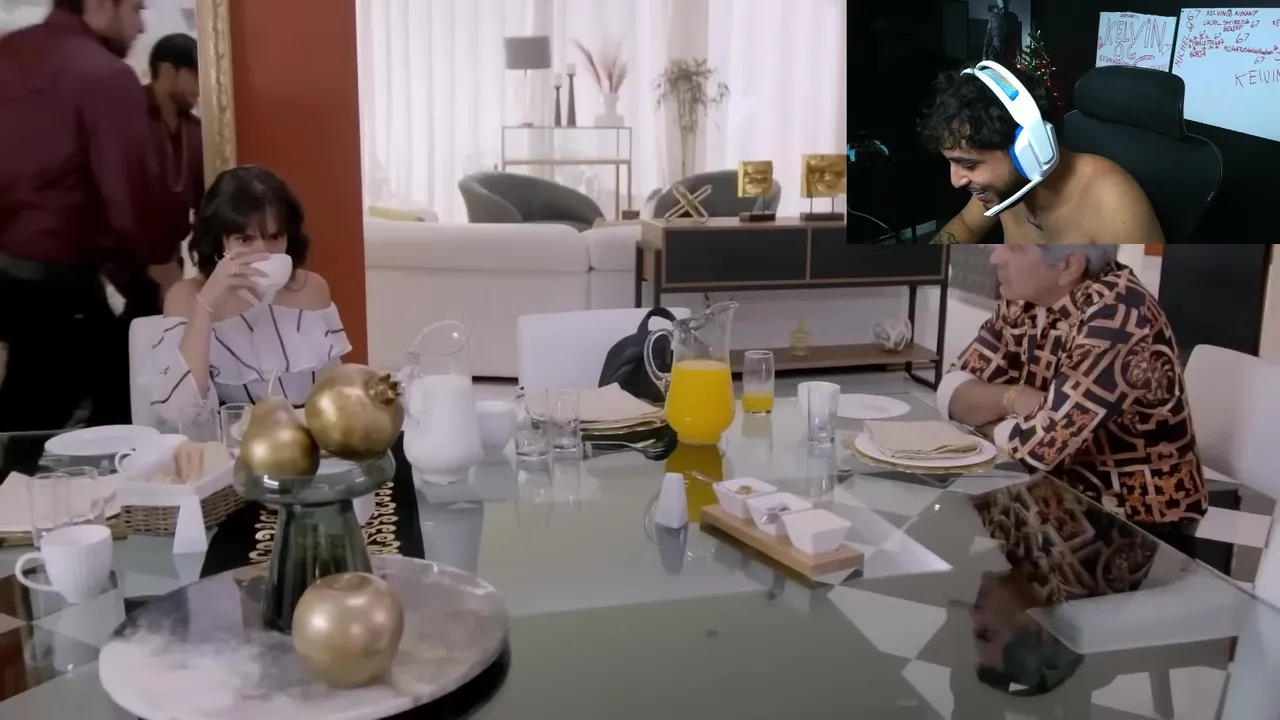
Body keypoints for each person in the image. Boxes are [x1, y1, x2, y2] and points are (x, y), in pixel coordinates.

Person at [936, 244, 1206, 552]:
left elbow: (1038, 449)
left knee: (951, 547)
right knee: (945, 541)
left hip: (1133, 523)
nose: (995, 257)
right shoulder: (1023, 297)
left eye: (1015, 248)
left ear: (1068, 266)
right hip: (1050, 497)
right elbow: (951, 392)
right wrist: (1013, 397)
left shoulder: (1119, 314)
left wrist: (986, 418)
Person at [0, 0, 168, 433]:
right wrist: (159, 266)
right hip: (61, 288)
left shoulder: (8, 52)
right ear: (100, 4)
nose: (140, 27)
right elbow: (132, 205)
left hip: (12, 279)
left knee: (22, 421)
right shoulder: (105, 76)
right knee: (115, 419)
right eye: (135, 9)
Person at [145, 166, 350, 427]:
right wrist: (206, 304)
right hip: (232, 444)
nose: (263, 251)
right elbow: (179, 413)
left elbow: (335, 393)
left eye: (274, 237)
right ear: (220, 241)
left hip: (311, 439)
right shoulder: (185, 297)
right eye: (245, 239)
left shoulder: (311, 288)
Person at [918, 61, 1164, 245]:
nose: (955, 181)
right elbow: (967, 225)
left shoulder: (1113, 200)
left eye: (970, 165)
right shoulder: (1003, 187)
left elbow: (1148, 296)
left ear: (1028, 150)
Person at [135, 32, 205, 317]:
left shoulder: (196, 131)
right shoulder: (126, 117)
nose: (200, 89)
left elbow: (204, 202)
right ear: (167, 71)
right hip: (123, 261)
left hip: (172, 259)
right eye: (195, 76)